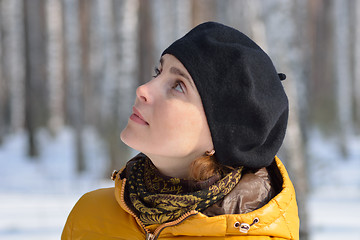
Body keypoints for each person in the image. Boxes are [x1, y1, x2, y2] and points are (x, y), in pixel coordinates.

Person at [62, 21, 299, 240]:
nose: (143, 89)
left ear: (222, 135)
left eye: (178, 86)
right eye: (158, 72)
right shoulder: (89, 216)